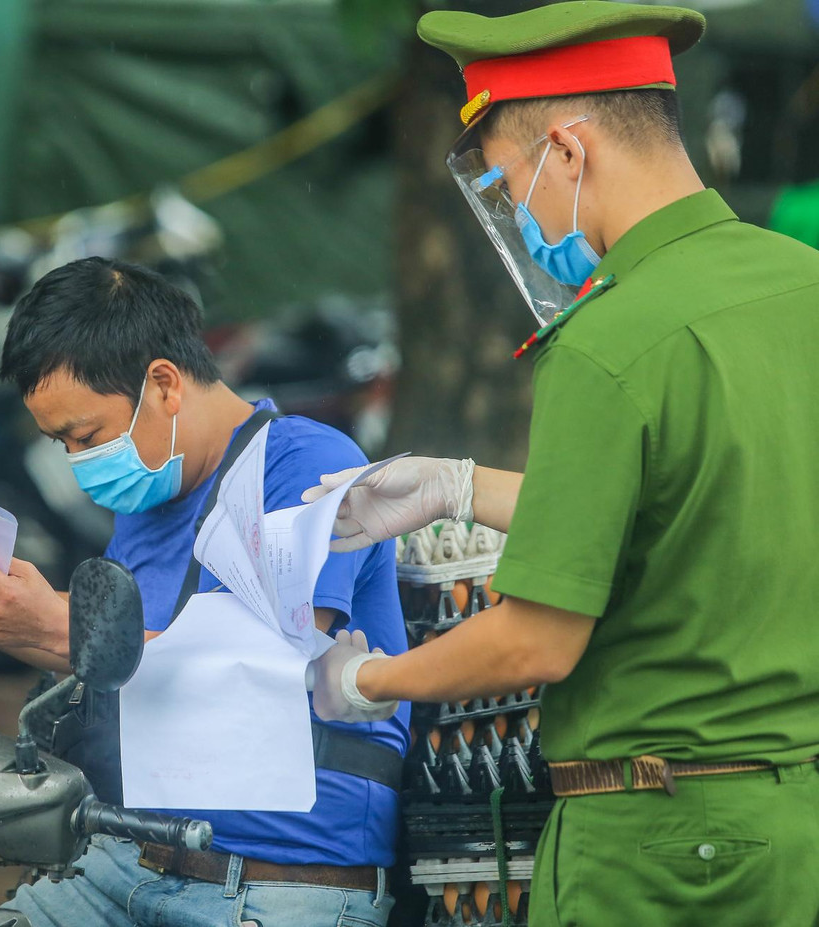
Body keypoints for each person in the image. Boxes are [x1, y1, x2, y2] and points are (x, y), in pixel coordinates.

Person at [306, 3, 819, 925]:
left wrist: (362, 680)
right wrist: (459, 487)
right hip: (796, 823)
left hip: (657, 849)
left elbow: (537, 641)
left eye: (510, 184)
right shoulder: (800, 284)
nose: (517, 218)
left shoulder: (609, 338)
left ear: (569, 151)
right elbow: (696, 506)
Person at [0, 257, 409, 927]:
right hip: (123, 866)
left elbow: (263, 666)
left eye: (85, 435)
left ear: (163, 384)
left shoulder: (309, 463)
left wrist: (53, 626)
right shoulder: (146, 510)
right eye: (59, 441)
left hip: (272, 884)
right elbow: (142, 666)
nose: (76, 460)